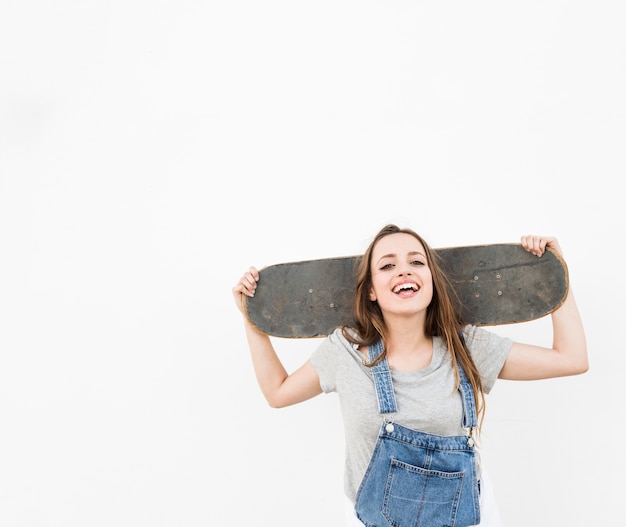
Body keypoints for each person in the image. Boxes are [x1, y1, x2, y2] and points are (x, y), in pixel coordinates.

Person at [232, 224, 588, 527]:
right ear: (371, 290)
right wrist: (253, 318)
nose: (404, 271)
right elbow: (277, 393)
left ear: (431, 281)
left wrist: (557, 278)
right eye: (387, 265)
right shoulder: (345, 352)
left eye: (416, 262)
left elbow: (571, 359)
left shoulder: (468, 347)